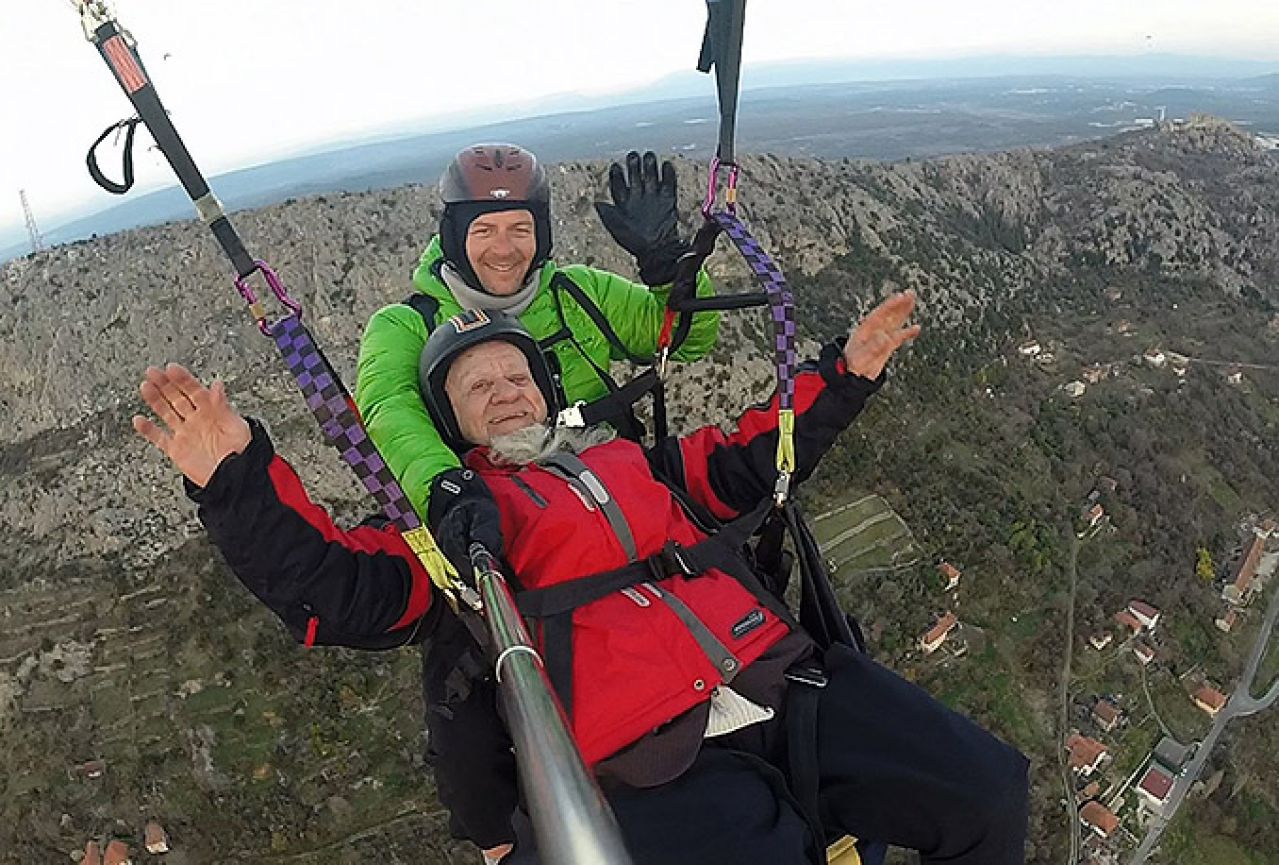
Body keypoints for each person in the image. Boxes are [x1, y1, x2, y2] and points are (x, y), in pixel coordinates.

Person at [133, 292, 1031, 865]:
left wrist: (844, 373)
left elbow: (757, 450)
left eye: (515, 373)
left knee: (989, 791)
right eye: (477, 385)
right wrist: (235, 480)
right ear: (453, 426)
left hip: (781, 680)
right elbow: (333, 585)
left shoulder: (639, 465)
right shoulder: (460, 532)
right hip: (652, 763)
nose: (505, 388)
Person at [355, 142, 720, 856]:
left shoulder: (576, 289)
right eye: (483, 230)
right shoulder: (405, 325)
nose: (503, 248)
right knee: (464, 688)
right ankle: (497, 839)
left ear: (541, 232)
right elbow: (388, 410)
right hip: (494, 523)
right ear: (452, 234)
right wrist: (448, 488)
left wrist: (668, 263)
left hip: (607, 500)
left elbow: (686, 336)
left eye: (519, 228)